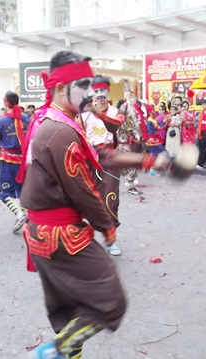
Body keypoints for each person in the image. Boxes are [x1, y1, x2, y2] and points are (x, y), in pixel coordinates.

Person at [19, 51, 169, 359]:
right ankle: (55, 352)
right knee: (111, 301)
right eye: (84, 85)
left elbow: (101, 155)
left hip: (42, 232)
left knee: (67, 309)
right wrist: (107, 226)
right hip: (61, 234)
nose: (93, 93)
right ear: (61, 89)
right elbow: (83, 190)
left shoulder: (59, 121)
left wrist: (149, 159)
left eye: (95, 86)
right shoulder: (60, 131)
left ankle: (65, 351)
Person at [81, 75, 124, 256]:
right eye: (96, 91)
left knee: (110, 200)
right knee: (86, 199)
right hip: (89, 160)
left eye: (103, 91)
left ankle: (110, 238)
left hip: (110, 160)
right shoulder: (83, 116)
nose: (100, 94)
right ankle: (84, 236)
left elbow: (116, 127)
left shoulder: (117, 113)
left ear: (108, 90)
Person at [0, 91, 30, 233]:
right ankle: (25, 216)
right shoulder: (26, 118)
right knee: (23, 190)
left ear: (5, 103)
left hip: (9, 161)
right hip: (25, 160)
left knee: (4, 191)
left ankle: (20, 214)